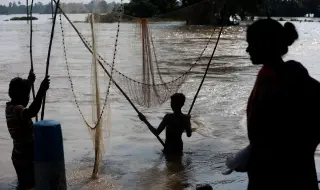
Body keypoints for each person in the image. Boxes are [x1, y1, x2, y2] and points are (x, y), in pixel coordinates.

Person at [245, 18, 320, 190]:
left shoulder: (271, 78)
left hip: (273, 178)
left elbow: (266, 131)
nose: (247, 49)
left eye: (251, 43)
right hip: (299, 174)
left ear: (264, 44)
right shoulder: (293, 73)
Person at [6, 70, 50, 190]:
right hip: (25, 157)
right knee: (29, 185)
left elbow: (23, 98)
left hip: (18, 156)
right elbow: (32, 111)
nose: (28, 97)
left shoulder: (10, 108)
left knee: (24, 184)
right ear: (21, 97)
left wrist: (30, 82)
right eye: (27, 95)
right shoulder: (18, 110)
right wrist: (41, 91)